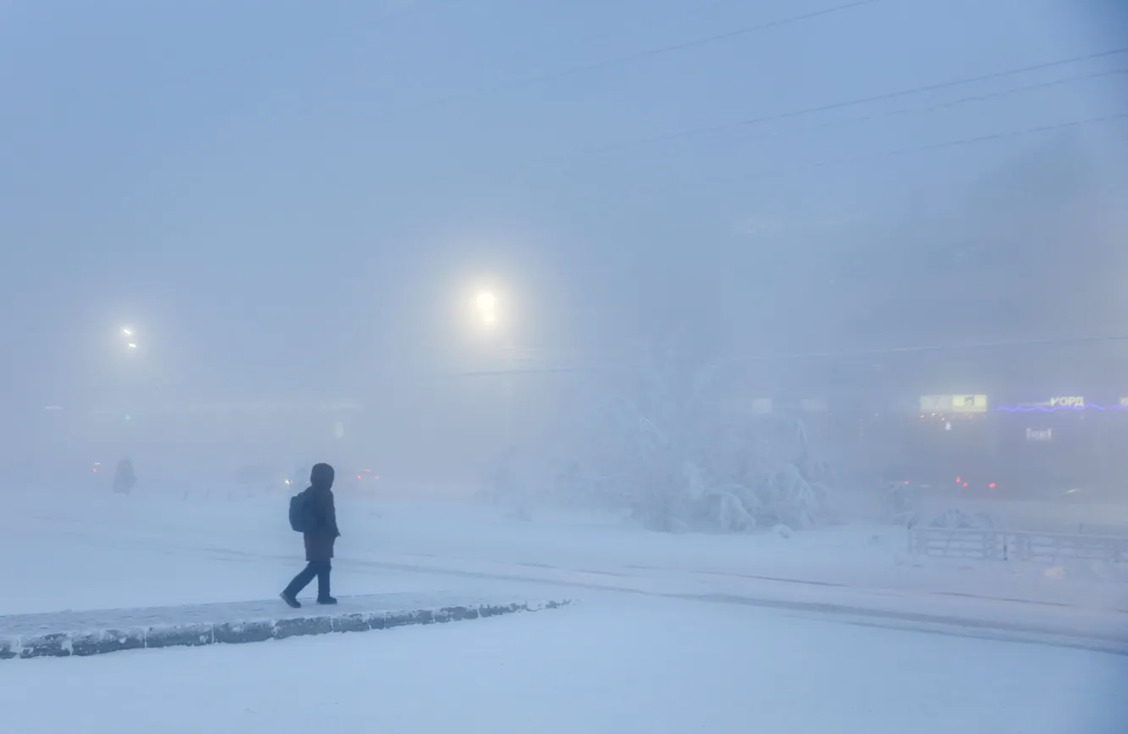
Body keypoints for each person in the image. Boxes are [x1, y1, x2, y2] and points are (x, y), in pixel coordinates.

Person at [281, 463, 340, 607]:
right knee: (316, 566)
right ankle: (290, 592)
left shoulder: (311, 491)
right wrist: (334, 531)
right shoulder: (325, 493)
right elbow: (328, 516)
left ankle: (324, 595)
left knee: (324, 565)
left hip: (312, 534)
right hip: (322, 535)